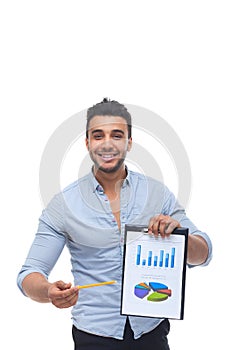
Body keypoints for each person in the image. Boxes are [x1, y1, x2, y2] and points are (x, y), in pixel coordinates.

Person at [17, 98, 212, 350]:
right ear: (87, 143)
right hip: (93, 336)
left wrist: (180, 236)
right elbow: (29, 274)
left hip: (151, 333)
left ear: (129, 142)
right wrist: (48, 291)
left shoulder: (157, 193)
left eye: (117, 135)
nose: (107, 143)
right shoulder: (63, 204)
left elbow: (203, 254)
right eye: (98, 136)